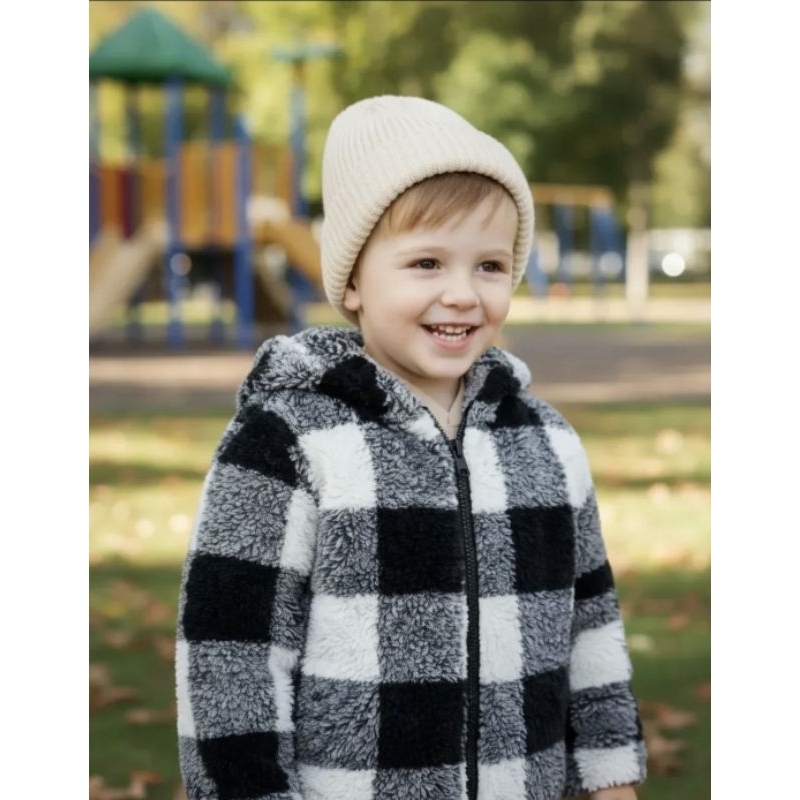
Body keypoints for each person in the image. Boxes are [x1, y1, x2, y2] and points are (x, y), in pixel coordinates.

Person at [175, 95, 647, 800]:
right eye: (427, 262)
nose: (462, 294)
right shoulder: (285, 441)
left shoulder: (547, 443)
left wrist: (613, 779)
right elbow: (229, 659)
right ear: (354, 281)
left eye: (490, 266)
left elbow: (591, 627)